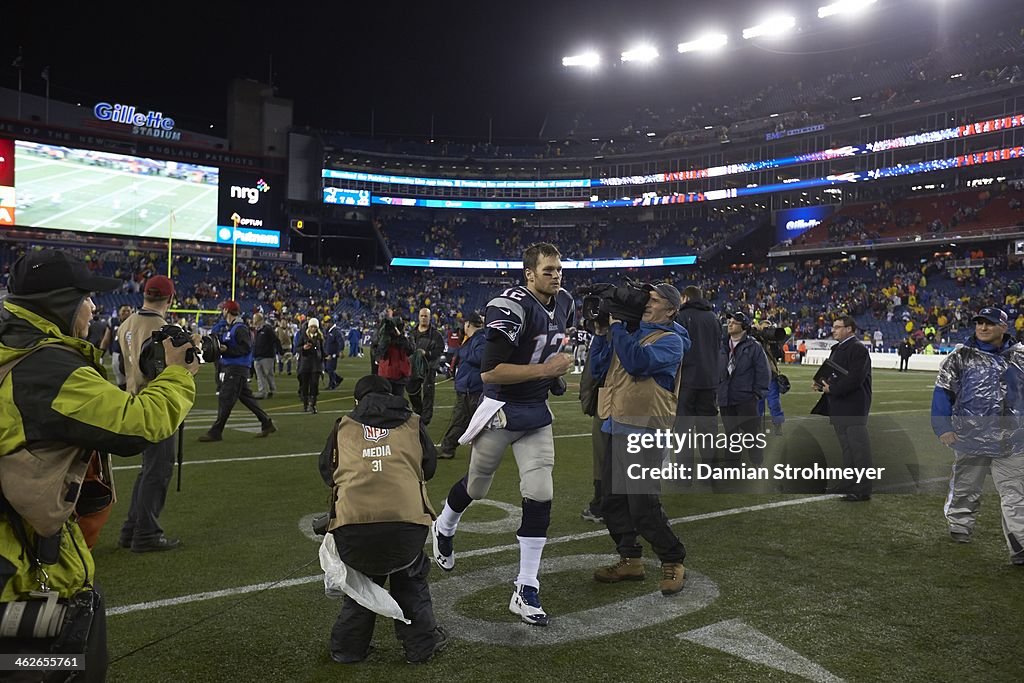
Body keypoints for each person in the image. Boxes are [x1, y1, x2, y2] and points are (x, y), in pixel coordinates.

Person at [0, 250, 198, 679]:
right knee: (49, 667)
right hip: (19, 572)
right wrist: (179, 373)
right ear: (59, 303)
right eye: (85, 297)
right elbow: (138, 426)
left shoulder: (12, 346)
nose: (93, 307)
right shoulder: (46, 366)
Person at [431, 243, 573, 626]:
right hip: (501, 411)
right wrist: (548, 372)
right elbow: (490, 373)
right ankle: (444, 525)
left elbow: (546, 351)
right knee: (477, 487)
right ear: (529, 274)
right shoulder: (512, 305)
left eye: (559, 269)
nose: (556, 276)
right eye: (548, 270)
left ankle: (526, 587)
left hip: (536, 414)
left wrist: (552, 374)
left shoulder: (564, 302)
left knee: (541, 492)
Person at [318, 375, 447, 664]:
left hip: (354, 525)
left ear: (357, 401)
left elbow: (327, 472)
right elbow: (430, 466)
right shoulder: (413, 422)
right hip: (406, 524)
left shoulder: (343, 425)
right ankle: (421, 646)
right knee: (410, 581)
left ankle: (348, 649)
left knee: (361, 585)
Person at [589, 284, 690, 596]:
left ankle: (673, 559)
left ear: (671, 310)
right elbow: (596, 369)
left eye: (656, 300)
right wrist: (603, 332)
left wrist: (619, 327)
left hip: (646, 431)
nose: (648, 303)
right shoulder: (630, 332)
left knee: (643, 505)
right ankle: (630, 558)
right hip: (616, 426)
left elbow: (637, 364)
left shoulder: (672, 341)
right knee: (611, 500)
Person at [931, 307, 1024, 564]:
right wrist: (943, 427)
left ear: (1004, 327)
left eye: (990, 323)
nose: (983, 328)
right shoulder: (960, 357)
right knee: (966, 486)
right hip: (970, 438)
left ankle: (1020, 545)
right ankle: (960, 525)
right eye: (979, 323)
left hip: (1012, 441)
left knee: (1015, 492)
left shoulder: (1020, 357)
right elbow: (942, 391)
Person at [116, 275, 184, 552]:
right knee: (158, 470)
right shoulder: (164, 328)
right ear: (170, 298)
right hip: (157, 403)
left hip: (134, 400)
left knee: (148, 470)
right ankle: (146, 533)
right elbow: (171, 370)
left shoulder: (125, 324)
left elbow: (122, 366)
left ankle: (131, 529)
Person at [812, 315, 874, 502]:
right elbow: (833, 373)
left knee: (859, 449)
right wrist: (820, 383)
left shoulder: (857, 349)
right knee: (847, 449)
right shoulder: (839, 348)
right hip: (839, 404)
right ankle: (848, 484)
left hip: (852, 405)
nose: (834, 330)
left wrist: (833, 388)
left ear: (849, 329)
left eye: (838, 327)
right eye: (834, 327)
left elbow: (855, 378)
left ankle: (862, 489)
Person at [198, 301, 276, 442]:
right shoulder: (232, 328)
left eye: (223, 309)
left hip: (237, 368)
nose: (222, 311)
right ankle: (266, 423)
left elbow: (246, 348)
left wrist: (227, 350)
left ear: (227, 310)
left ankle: (216, 431)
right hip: (234, 367)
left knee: (225, 399)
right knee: (247, 399)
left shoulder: (239, 328)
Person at [674, 285, 721, 467]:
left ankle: (684, 473)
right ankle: (711, 471)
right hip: (709, 380)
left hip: (687, 380)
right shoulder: (713, 318)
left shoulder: (682, 317)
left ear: (685, 297)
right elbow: (718, 347)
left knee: (683, 429)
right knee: (708, 428)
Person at [717, 312, 770, 468]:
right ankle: (732, 466)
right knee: (730, 435)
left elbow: (763, 371)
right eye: (729, 321)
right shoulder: (722, 345)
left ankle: (757, 463)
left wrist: (756, 394)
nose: (730, 324)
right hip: (726, 396)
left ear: (744, 327)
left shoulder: (754, 347)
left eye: (734, 322)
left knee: (751, 434)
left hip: (746, 398)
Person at [438, 313, 486, 459]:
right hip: (467, 387)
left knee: (474, 422)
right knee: (462, 420)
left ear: (468, 325)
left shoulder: (481, 339)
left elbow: (480, 357)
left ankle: (450, 448)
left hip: (473, 389)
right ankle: (448, 448)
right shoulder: (474, 339)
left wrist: (462, 352)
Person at [409, 307, 445, 425]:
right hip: (414, 368)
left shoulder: (436, 335)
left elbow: (439, 350)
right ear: (418, 317)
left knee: (428, 394)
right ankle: (418, 411)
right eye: (422, 316)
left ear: (430, 318)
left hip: (429, 368)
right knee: (412, 390)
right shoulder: (412, 333)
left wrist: (427, 354)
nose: (424, 318)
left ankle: (425, 420)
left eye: (426, 316)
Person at [298, 317, 326, 413]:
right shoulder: (303, 336)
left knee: (314, 385)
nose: (313, 328)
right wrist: (303, 348)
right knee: (305, 385)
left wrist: (324, 358)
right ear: (309, 327)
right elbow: (297, 348)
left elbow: (322, 351)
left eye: (315, 327)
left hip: (316, 365)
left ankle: (313, 405)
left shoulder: (320, 337)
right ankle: (305, 404)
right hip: (305, 364)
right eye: (312, 327)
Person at [252, 312, 282, 399]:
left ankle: (271, 390)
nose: (253, 320)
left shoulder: (267, 329)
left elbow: (276, 340)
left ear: (259, 319)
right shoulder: (257, 330)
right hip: (257, 356)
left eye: (254, 318)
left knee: (267, 375)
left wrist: (280, 351)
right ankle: (263, 391)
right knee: (260, 375)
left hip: (267, 356)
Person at [103, 304, 133, 390]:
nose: (126, 313)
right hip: (117, 353)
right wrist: (101, 354)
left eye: (129, 311)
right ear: (119, 312)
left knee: (133, 380)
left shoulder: (135, 322)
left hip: (131, 353)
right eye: (124, 311)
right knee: (120, 381)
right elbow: (106, 339)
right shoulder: (113, 321)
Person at [323, 315, 345, 389]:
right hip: (327, 353)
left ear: (330, 323)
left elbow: (341, 341)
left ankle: (332, 384)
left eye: (326, 323)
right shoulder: (329, 331)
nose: (325, 325)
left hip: (333, 354)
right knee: (326, 368)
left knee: (330, 368)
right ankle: (338, 379)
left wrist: (341, 351)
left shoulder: (336, 331)